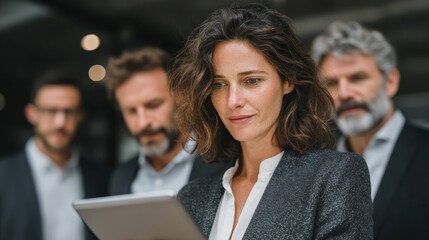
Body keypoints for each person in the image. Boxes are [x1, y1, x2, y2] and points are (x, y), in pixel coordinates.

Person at [169, 4, 373, 239]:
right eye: (219, 84)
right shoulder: (192, 196)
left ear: (288, 81)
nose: (232, 101)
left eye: (251, 81)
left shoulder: (334, 177)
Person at [311, 21, 429, 240]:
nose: (344, 93)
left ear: (391, 82)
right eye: (332, 83)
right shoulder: (314, 169)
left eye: (358, 78)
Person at [0, 69, 108, 240]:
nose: (60, 122)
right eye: (51, 111)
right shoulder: (3, 175)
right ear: (32, 114)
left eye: (69, 112)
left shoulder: (99, 176)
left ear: (81, 116)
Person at [105, 47, 225, 196]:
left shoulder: (225, 163)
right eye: (131, 111)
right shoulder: (121, 177)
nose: (143, 123)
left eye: (154, 105)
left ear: (181, 97)